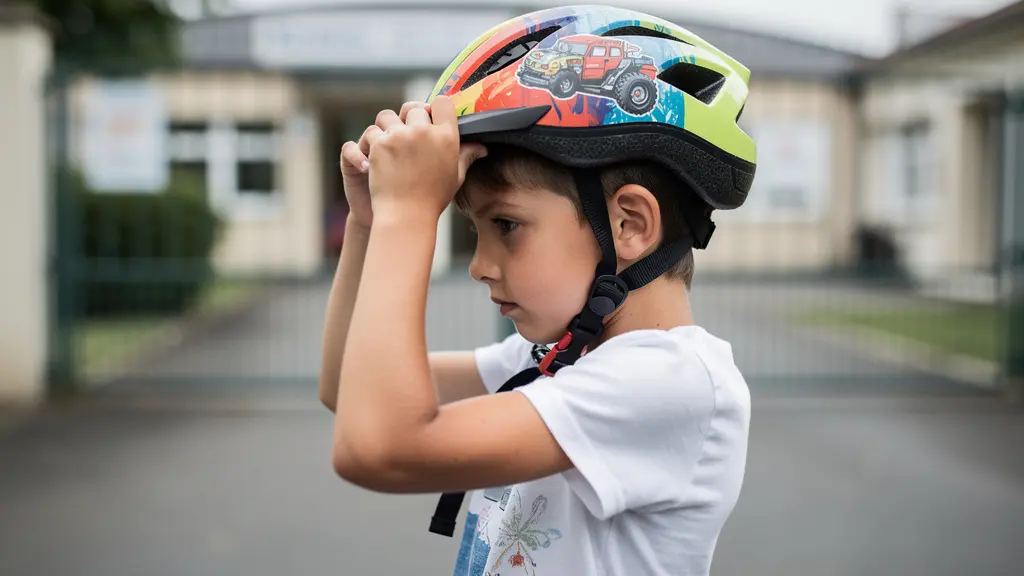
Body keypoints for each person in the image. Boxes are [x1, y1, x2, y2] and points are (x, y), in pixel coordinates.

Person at [319, 5, 755, 575]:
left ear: (628, 225)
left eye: (505, 226)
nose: (479, 265)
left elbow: (379, 446)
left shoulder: (669, 382)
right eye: (475, 230)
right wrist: (371, 225)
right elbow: (346, 389)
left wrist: (409, 216)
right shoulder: (559, 360)